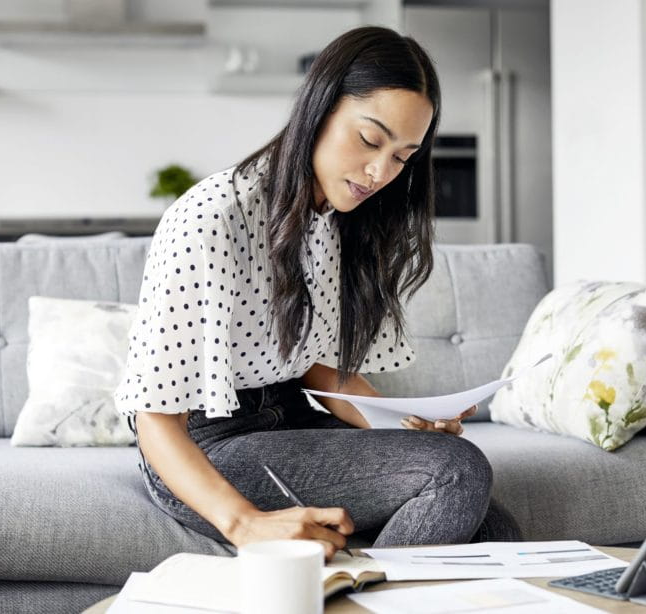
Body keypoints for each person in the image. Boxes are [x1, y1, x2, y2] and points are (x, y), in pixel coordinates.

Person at [113, 25, 521, 562]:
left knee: (494, 528)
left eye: (403, 157)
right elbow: (154, 418)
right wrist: (245, 524)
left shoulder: (336, 218)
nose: (381, 172)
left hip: (290, 421)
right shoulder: (213, 217)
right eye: (370, 140)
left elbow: (318, 370)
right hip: (204, 449)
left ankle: (355, 586)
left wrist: (406, 422)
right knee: (458, 472)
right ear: (319, 109)